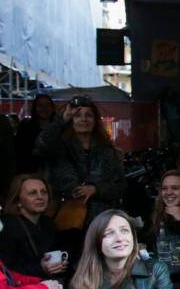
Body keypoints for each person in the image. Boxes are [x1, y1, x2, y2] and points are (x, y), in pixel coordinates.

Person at [64, 210, 179, 289]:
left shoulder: (155, 270)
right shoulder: (84, 280)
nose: (119, 238)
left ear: (133, 237)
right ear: (96, 242)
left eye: (124, 231)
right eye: (109, 233)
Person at [37, 96, 125, 230]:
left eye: (89, 115)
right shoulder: (58, 146)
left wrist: (96, 189)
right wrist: (61, 120)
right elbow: (42, 143)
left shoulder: (107, 150)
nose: (83, 119)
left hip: (100, 220)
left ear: (95, 120)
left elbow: (120, 186)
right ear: (71, 120)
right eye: (77, 116)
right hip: (66, 218)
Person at [0, 173, 67, 281]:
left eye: (44, 192)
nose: (40, 197)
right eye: (32, 193)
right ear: (18, 201)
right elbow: (3, 270)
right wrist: (40, 268)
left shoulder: (48, 224)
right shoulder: (7, 227)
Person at [14, 93, 56, 174]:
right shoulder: (25, 127)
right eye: (40, 105)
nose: (44, 108)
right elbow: (20, 152)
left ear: (52, 108)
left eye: (47, 105)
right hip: (30, 171)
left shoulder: (59, 128)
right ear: (34, 108)